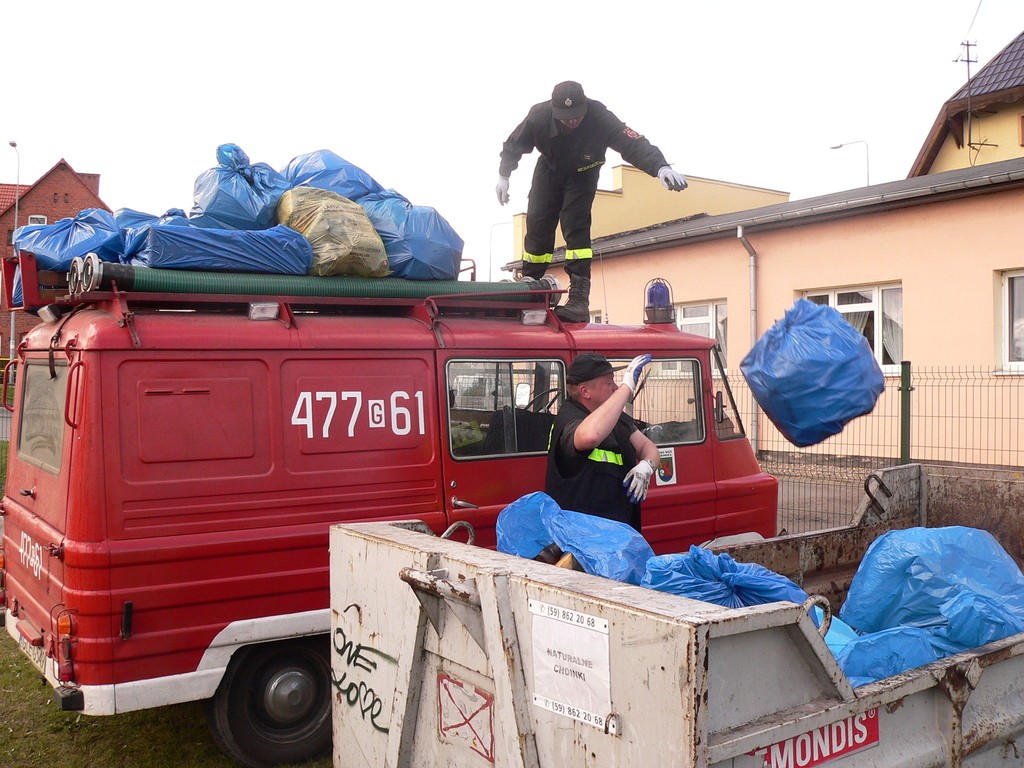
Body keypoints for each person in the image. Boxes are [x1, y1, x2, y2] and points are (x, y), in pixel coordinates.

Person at [496, 81, 689, 322]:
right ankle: (531, 286)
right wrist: (504, 175)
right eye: (566, 117)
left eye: (577, 115)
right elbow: (514, 144)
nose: (572, 121)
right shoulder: (539, 116)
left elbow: (632, 143)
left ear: (585, 106)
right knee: (538, 223)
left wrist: (660, 167)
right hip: (550, 169)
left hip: (583, 174)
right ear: (554, 111)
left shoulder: (600, 116)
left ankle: (579, 298)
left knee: (575, 226)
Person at [546, 352, 661, 531]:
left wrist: (646, 466)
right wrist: (626, 388)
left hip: (618, 531)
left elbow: (647, 446)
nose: (615, 387)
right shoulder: (569, 418)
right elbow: (590, 436)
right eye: (609, 383)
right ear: (585, 391)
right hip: (582, 537)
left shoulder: (616, 417)